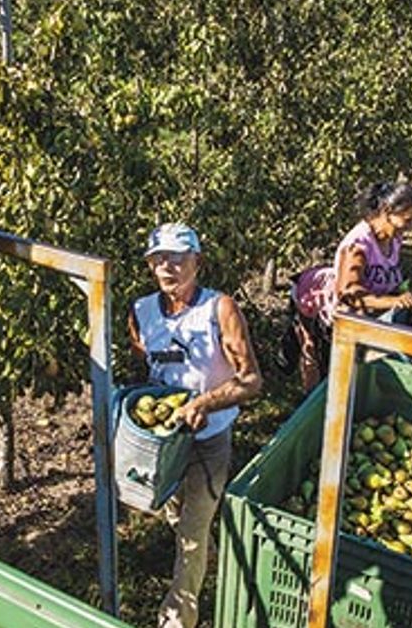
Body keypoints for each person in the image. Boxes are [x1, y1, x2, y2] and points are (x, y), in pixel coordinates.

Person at [128, 222, 263, 628]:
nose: (167, 267)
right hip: (164, 442)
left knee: (190, 533)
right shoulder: (141, 311)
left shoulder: (218, 309)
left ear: (197, 261)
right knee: (171, 510)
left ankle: (176, 618)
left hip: (208, 438)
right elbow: (147, 371)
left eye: (176, 258)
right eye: (158, 259)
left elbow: (252, 379)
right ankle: (208, 549)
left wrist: (206, 401)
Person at [291, 182, 412, 391]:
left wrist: (399, 297)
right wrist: (393, 301)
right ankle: (308, 406)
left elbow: (385, 276)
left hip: (365, 313)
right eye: (407, 219)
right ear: (387, 212)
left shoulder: (394, 237)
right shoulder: (358, 246)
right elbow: (349, 294)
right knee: (315, 358)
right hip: (318, 303)